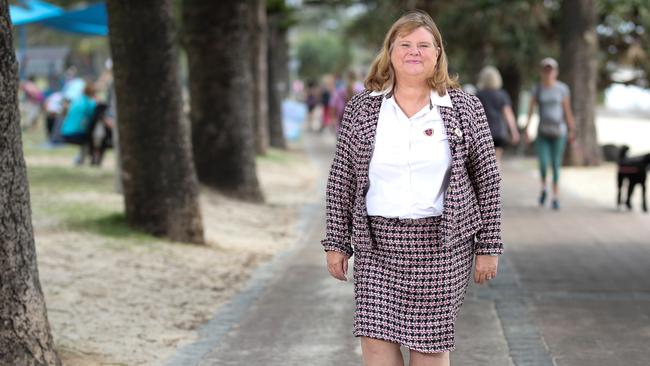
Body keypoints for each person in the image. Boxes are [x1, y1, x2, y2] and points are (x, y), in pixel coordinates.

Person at [321, 11, 503, 366]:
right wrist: (335, 242)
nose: (413, 52)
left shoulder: (464, 107)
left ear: (438, 53)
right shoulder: (363, 107)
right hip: (377, 246)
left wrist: (489, 247)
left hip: (441, 248)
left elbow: (488, 181)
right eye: (404, 44)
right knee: (375, 342)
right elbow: (342, 177)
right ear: (390, 52)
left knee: (428, 351)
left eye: (423, 45)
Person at [523, 57, 576, 210]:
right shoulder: (538, 89)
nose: (548, 73)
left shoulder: (562, 89)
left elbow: (567, 111)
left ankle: (556, 196)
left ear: (556, 72)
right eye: (546, 70)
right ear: (542, 72)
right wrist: (527, 129)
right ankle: (544, 189)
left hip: (559, 132)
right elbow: (531, 110)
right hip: (543, 132)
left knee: (556, 164)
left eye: (551, 70)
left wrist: (572, 129)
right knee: (544, 164)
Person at [475, 66, 520, 164]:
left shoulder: (479, 95)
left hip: (484, 132)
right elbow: (508, 114)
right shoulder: (502, 95)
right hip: (499, 133)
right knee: (496, 159)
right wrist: (514, 132)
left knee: (485, 161)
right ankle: (495, 177)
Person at [60, 84, 97, 165]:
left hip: (65, 131)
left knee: (87, 139)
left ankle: (81, 159)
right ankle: (84, 160)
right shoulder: (89, 103)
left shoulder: (76, 101)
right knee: (90, 139)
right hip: (75, 133)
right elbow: (94, 116)